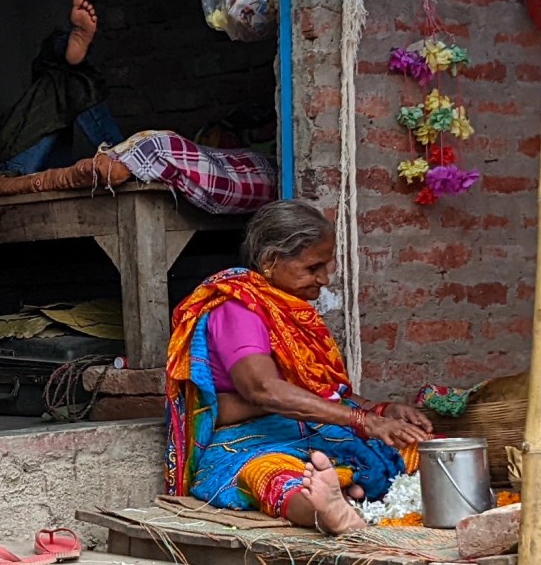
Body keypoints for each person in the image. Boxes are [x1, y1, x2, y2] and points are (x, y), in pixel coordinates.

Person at [165, 200, 433, 534]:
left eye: (326, 266)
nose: (323, 279)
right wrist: (363, 421)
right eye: (312, 267)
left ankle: (344, 491)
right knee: (274, 475)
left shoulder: (291, 311)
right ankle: (325, 510)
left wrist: (382, 411)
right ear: (270, 261)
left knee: (420, 449)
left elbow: (324, 393)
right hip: (248, 444)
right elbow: (263, 389)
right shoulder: (238, 309)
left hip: (313, 432)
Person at [0, 0, 124, 177]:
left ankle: (62, 49)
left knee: (64, 79)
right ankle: (123, 158)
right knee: (70, 81)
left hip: (17, 154)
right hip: (1, 164)